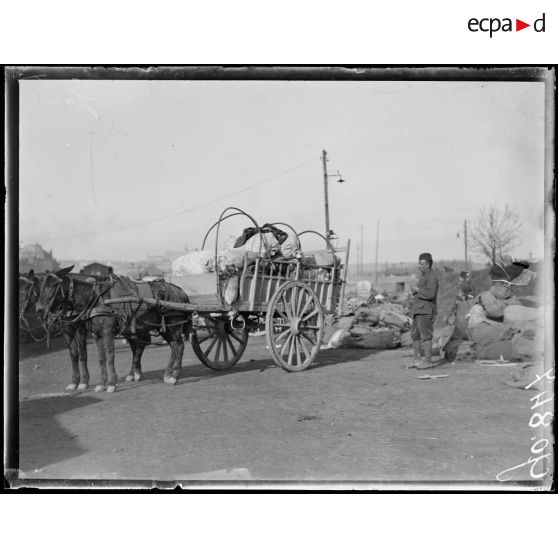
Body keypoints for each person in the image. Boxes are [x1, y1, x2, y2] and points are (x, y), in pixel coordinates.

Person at [409, 252, 439, 369]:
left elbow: (431, 294)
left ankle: (428, 362)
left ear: (428, 264)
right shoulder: (424, 277)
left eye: (421, 264)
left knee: (426, 336)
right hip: (418, 310)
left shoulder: (432, 276)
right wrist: (414, 291)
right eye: (418, 263)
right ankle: (416, 360)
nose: (419, 266)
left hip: (426, 310)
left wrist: (417, 289)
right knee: (415, 335)